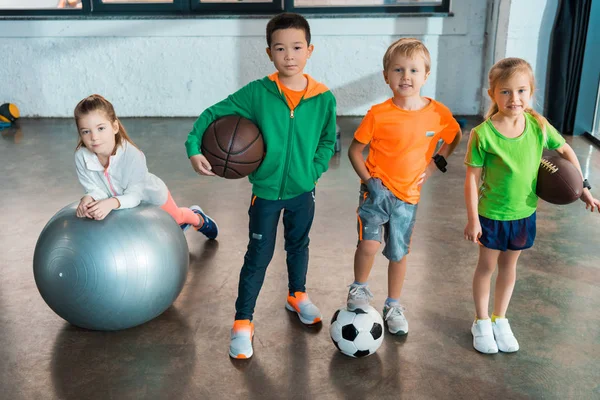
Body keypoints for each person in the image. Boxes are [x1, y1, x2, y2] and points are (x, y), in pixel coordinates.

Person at [185, 13, 336, 359]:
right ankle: (242, 321)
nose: (289, 55)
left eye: (297, 47)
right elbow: (211, 113)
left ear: (310, 50)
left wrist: (313, 171)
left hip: (303, 191)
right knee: (258, 256)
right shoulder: (258, 93)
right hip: (266, 193)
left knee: (299, 244)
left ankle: (297, 294)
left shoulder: (323, 97)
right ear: (269, 53)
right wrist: (194, 149)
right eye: (280, 48)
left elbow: (328, 139)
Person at [464, 57, 600, 354]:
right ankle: (481, 320)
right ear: (493, 94)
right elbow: (471, 180)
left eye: (522, 91)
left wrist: (583, 190)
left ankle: (500, 318)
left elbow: (564, 149)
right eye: (506, 92)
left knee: (510, 267)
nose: (515, 98)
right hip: (492, 215)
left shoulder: (538, 125)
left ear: (531, 92)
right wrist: (473, 219)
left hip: (524, 213)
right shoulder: (483, 134)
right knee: (487, 267)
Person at [345, 38, 462, 336]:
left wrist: (437, 163)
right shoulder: (378, 114)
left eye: (413, 70)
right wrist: (370, 182)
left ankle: (393, 305)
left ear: (425, 75)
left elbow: (454, 136)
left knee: (398, 253)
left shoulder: (437, 114)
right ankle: (358, 289)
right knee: (369, 244)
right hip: (377, 192)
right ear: (386, 76)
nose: (406, 76)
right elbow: (354, 151)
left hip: (408, 196)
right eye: (398, 70)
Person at [74, 94, 218, 240]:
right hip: (120, 206)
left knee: (176, 219)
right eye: (86, 131)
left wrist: (110, 203)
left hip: (150, 198)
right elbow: (94, 187)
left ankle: (197, 218)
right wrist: (89, 197)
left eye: (100, 128)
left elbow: (135, 196)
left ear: (115, 127)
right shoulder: (82, 157)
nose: (94, 137)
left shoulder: (132, 156)